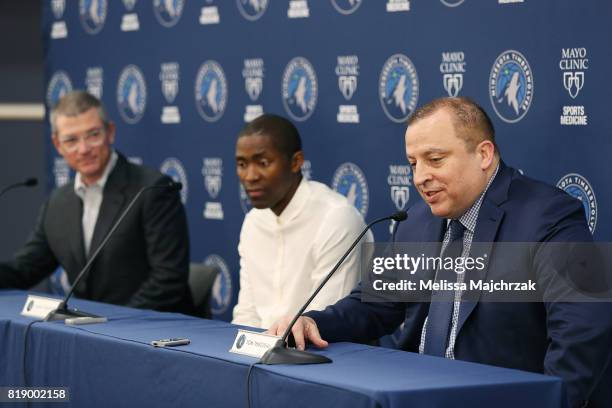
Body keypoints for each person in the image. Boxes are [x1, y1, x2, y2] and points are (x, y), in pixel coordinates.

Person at [268, 97, 612, 408]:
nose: (420, 177)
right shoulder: (414, 221)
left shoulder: (547, 215)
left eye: (435, 159)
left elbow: (581, 330)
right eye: (413, 163)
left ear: (484, 154)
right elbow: (373, 305)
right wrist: (313, 321)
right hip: (413, 395)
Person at [0, 91, 193, 313]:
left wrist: (111, 326)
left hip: (148, 332)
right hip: (91, 332)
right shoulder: (58, 201)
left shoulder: (152, 189)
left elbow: (168, 279)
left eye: (92, 135)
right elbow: (25, 269)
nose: (83, 149)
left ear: (110, 132)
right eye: (71, 140)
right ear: (57, 145)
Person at [232, 114, 372, 328]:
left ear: (296, 162)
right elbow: (246, 314)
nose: (250, 176)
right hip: (262, 354)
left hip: (328, 354)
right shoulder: (253, 222)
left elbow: (327, 320)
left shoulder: (336, 218)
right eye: (242, 164)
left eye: (263, 163)